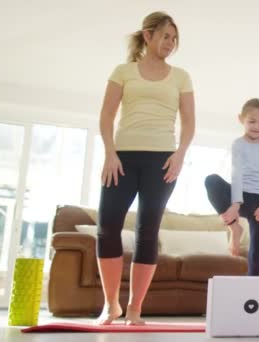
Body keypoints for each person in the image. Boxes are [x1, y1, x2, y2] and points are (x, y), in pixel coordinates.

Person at [95, 11, 195, 325]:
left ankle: (135, 308)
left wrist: (180, 154)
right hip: (122, 157)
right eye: (165, 36)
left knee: (147, 231)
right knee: (107, 226)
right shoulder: (123, 71)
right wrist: (110, 153)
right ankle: (111, 304)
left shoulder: (181, 76)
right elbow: (106, 115)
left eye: (174, 38)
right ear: (148, 35)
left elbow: (189, 122)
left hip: (161, 161)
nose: (170, 43)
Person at [205, 98, 259, 276]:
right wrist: (235, 205)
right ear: (241, 119)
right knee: (212, 181)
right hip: (240, 196)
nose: (256, 126)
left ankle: (253, 293)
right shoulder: (238, 145)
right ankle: (234, 228)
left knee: (256, 251)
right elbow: (236, 174)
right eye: (252, 121)